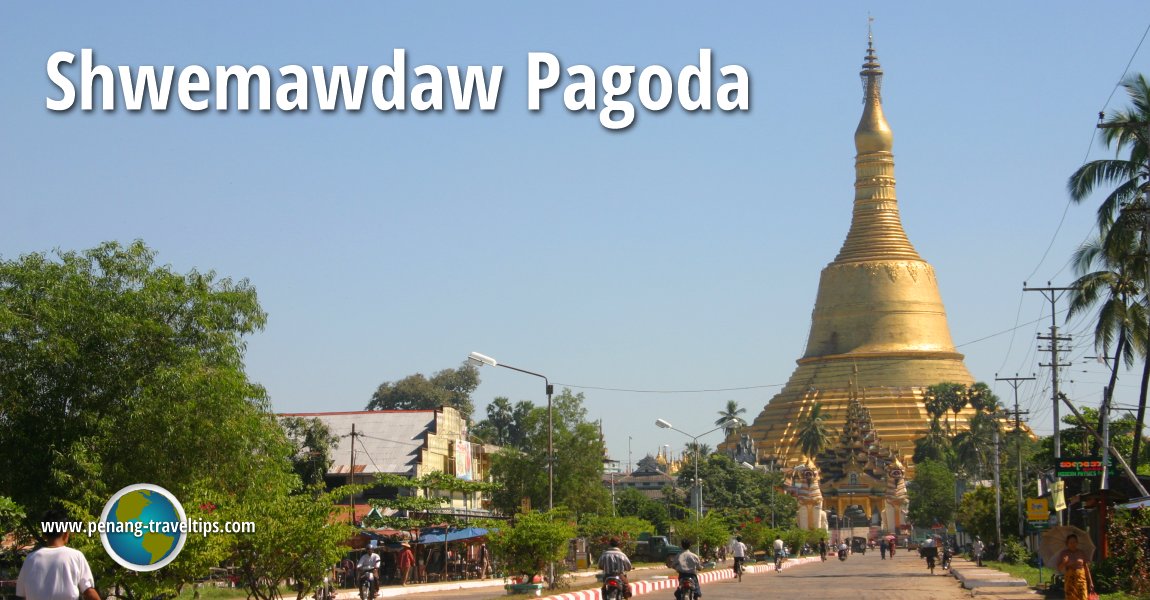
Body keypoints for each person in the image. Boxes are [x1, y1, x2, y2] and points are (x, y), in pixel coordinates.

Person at [16, 510, 100, 600]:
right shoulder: (75, 556)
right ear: (66, 534)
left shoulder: (30, 559)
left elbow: (22, 595)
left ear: (44, 535)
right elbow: (89, 592)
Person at [1057, 534, 1094, 600]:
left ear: (1077, 543)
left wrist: (1091, 582)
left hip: (1081, 581)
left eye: (1074, 542)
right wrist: (1063, 562)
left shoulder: (1081, 553)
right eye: (1070, 542)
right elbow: (1059, 568)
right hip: (1070, 582)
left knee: (1084, 598)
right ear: (1067, 544)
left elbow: (1086, 568)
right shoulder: (1064, 553)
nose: (1073, 544)